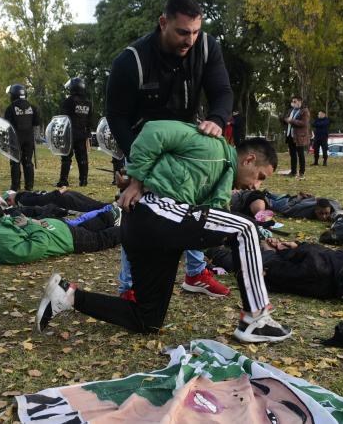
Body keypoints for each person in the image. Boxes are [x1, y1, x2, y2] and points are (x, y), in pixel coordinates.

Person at [36, 121, 292, 343]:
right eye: (260, 177)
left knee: (147, 319)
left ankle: (68, 296)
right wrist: (136, 180)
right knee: (245, 228)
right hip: (154, 213)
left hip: (147, 231)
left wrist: (261, 241)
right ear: (248, 159)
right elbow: (154, 131)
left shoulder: (221, 182)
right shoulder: (213, 147)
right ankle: (256, 318)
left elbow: (210, 225)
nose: (255, 185)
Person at [105, 0, 234, 300]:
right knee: (139, 205)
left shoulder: (206, 47)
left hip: (185, 141)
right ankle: (130, 286)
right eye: (182, 32)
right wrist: (138, 172)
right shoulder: (130, 61)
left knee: (196, 199)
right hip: (142, 140)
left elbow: (222, 91)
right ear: (163, 23)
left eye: (195, 31)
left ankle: (195, 272)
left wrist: (216, 118)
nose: (190, 39)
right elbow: (117, 116)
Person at [206, 241, 343, 302]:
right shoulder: (321, 272)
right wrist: (265, 274)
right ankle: (206, 244)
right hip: (276, 263)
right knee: (231, 260)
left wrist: (295, 246)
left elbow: (320, 250)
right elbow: (287, 275)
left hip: (289, 257)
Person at [0, 201, 121, 265]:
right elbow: (11, 220)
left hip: (63, 238)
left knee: (101, 240)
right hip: (56, 226)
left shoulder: (1, 250)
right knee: (86, 227)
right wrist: (31, 223)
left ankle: (130, 228)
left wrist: (30, 225)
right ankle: (114, 213)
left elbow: (40, 244)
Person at [55, 77, 92, 187]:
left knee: (66, 157)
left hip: (69, 134)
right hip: (82, 133)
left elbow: (64, 118)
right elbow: (90, 120)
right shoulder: (88, 103)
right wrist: (87, 134)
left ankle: (63, 180)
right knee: (83, 158)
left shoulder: (69, 101)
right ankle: (83, 180)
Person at [4, 84, 41, 191]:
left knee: (15, 162)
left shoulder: (10, 109)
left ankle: (15, 186)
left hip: (15, 138)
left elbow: (6, 125)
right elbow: (36, 123)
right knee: (28, 162)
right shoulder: (32, 107)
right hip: (29, 139)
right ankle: (29, 186)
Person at [233, 191, 343, 221]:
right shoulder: (302, 211)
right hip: (285, 202)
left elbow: (338, 209)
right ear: (315, 210)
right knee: (266, 200)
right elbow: (287, 209)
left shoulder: (332, 207)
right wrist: (299, 198)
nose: (324, 217)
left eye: (326, 213)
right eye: (321, 213)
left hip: (293, 199)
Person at [6, 186, 109, 212]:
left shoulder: (23, 197)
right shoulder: (23, 200)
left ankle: (114, 206)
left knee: (94, 205)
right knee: (93, 206)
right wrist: (60, 191)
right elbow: (42, 200)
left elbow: (42, 199)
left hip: (63, 196)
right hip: (63, 198)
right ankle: (114, 206)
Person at [280, 96, 310, 179]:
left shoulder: (304, 111)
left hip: (299, 136)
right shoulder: (291, 110)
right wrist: (284, 119)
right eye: (292, 101)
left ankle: (301, 172)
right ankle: (293, 172)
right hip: (290, 135)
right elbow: (286, 119)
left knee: (300, 155)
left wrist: (291, 120)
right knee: (292, 154)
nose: (293, 103)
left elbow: (304, 123)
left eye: (295, 101)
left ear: (300, 102)